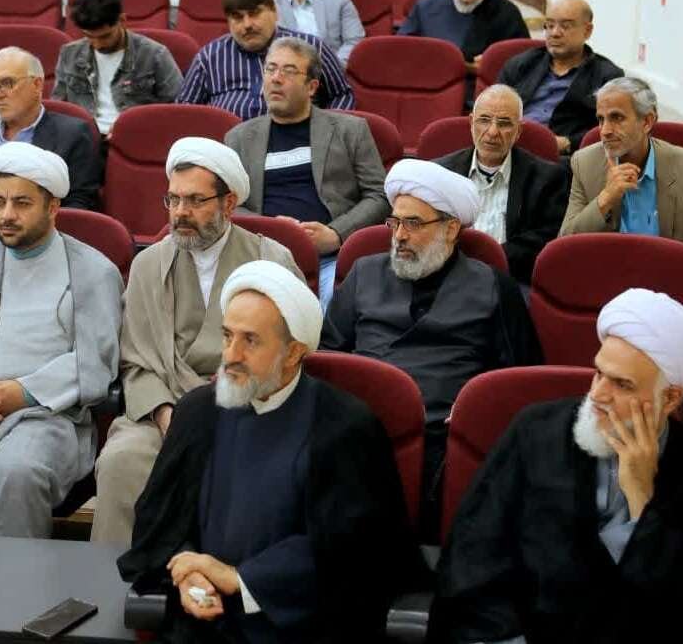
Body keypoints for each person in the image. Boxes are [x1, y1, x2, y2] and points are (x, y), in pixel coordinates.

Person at [118, 260, 420, 642]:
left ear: (293, 353)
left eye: (250, 341)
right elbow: (162, 520)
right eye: (227, 336)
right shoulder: (198, 412)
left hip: (301, 626)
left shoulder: (344, 426)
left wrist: (241, 579)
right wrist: (189, 571)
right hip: (203, 621)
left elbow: (352, 552)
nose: (230, 355)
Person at [430, 288, 683, 644]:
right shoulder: (534, 432)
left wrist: (643, 506)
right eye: (598, 373)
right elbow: (472, 562)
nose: (597, 394)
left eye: (622, 384)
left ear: (670, 398)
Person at [91, 138, 302, 544]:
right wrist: (168, 416)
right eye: (173, 200)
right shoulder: (148, 265)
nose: (180, 213)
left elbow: (288, 359)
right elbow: (136, 362)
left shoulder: (271, 261)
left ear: (229, 203)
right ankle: (113, 578)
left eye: (195, 200)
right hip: (161, 413)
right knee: (121, 461)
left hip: (246, 413)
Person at [321, 158, 540, 534]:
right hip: (359, 429)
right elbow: (328, 358)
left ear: (451, 228)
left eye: (413, 224)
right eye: (394, 223)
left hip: (442, 439)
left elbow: (519, 376)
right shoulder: (363, 273)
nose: (399, 236)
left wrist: (475, 413)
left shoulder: (492, 286)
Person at [0, 143, 122, 537]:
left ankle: (8, 577)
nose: (7, 215)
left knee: (16, 472)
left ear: (52, 207)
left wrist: (22, 393)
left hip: (48, 415)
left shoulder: (94, 272)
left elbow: (94, 357)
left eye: (22, 203)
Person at [226, 36, 386, 306]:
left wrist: (336, 234)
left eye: (288, 71)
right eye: (270, 69)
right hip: (262, 255)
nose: (276, 79)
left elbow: (379, 195)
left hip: (331, 258)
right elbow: (227, 204)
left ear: (311, 87)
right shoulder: (239, 138)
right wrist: (272, 230)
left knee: (332, 308)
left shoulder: (350, 130)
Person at [561, 76, 683, 280]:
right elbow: (565, 248)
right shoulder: (585, 163)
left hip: (672, 285)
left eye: (617, 118)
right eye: (601, 119)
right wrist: (605, 198)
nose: (605, 131)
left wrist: (672, 275)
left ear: (647, 121)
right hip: (606, 281)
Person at [0, 47, 100, 248]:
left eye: (7, 83)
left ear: (37, 85)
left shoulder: (72, 134)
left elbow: (78, 205)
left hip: (32, 243)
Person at [433, 84, 569, 285]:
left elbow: (542, 240)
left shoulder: (548, 178)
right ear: (471, 122)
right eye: (484, 120)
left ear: (518, 130)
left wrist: (488, 261)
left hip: (511, 279)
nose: (492, 132)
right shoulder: (440, 172)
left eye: (504, 123)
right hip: (447, 276)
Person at [177, 0, 354, 119]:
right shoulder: (209, 57)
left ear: (274, 12)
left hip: (298, 143)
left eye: (254, 13)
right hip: (227, 145)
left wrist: (324, 134)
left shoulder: (311, 48)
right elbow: (185, 109)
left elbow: (342, 95)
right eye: (237, 17)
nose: (247, 24)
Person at [399, 0, 528, 103]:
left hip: (481, 96)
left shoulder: (507, 13)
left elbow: (524, 60)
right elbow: (403, 50)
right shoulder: (425, 7)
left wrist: (493, 63)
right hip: (428, 88)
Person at [497, 0, 624, 156]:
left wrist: (569, 142)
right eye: (549, 25)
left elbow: (614, 127)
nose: (554, 33)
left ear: (587, 30)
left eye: (565, 26)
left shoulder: (607, 77)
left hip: (563, 157)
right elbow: (493, 107)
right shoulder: (521, 64)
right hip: (510, 146)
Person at [52, 0, 183, 138]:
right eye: (89, 36)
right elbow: (59, 107)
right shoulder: (69, 54)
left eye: (105, 36)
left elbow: (177, 107)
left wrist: (134, 124)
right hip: (84, 136)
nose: (97, 44)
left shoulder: (155, 55)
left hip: (137, 135)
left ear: (122, 20)